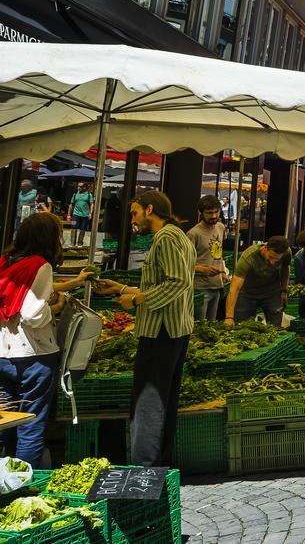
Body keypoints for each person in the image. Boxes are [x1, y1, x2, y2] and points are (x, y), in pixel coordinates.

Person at [93, 191, 193, 466]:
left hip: (161, 331)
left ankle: (144, 465)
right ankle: (157, 463)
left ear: (150, 209)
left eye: (135, 212)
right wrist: (123, 288)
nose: (133, 219)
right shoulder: (179, 236)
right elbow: (166, 283)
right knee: (163, 399)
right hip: (174, 329)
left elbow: (177, 282)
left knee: (149, 400)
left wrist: (137, 299)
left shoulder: (166, 238)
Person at [0, 213, 66, 465]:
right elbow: (32, 314)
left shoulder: (5, 262)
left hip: (3, 355)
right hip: (33, 357)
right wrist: (55, 306)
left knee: (4, 422)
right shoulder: (40, 266)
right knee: (31, 423)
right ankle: (25, 486)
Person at [224, 236, 291, 326]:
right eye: (270, 257)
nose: (272, 262)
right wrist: (229, 317)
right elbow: (234, 288)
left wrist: (284, 290)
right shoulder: (248, 257)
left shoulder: (287, 253)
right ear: (265, 248)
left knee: (276, 327)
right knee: (243, 327)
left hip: (272, 292)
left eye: (276, 260)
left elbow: (286, 268)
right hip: (248, 294)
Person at [187, 196, 228, 321]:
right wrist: (201, 269)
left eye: (216, 212)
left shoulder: (220, 227)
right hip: (199, 288)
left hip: (217, 286)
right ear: (201, 213)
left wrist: (222, 271)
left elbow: (218, 253)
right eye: (209, 213)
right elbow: (182, 263)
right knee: (200, 327)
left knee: (211, 325)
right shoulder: (193, 234)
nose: (214, 216)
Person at [69, 183, 94, 248]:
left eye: (81, 186)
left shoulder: (89, 195)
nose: (79, 188)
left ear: (85, 187)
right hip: (75, 214)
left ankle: (80, 243)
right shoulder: (75, 195)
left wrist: (90, 213)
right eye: (78, 186)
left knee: (83, 229)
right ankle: (72, 243)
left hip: (85, 215)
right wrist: (69, 214)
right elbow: (71, 204)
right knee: (73, 227)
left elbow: (91, 204)